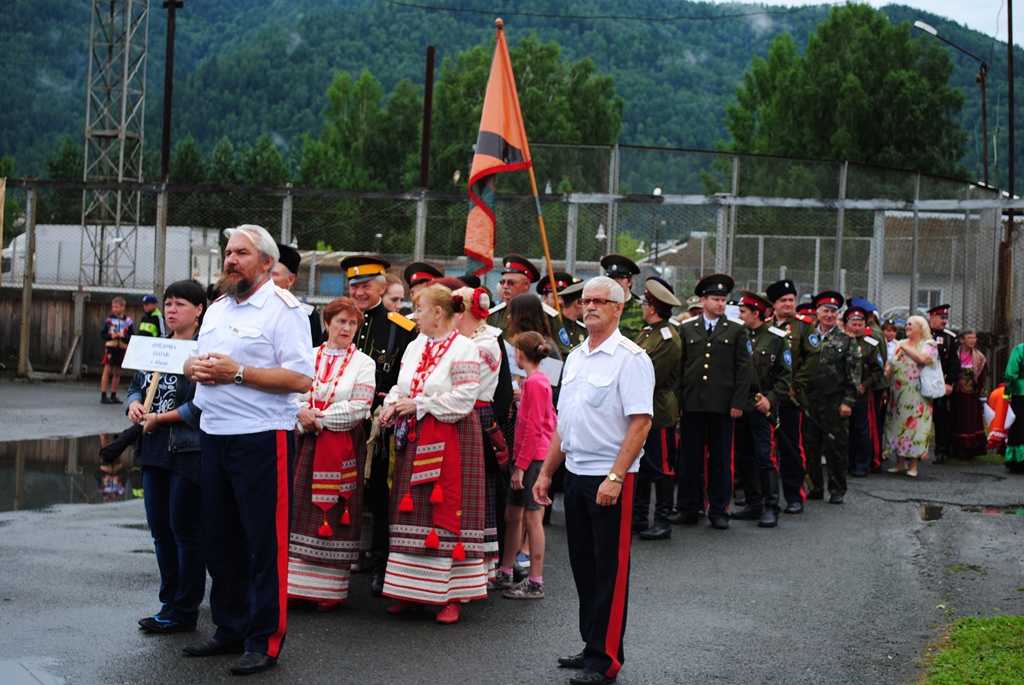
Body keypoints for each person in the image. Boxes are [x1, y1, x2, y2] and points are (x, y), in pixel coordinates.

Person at [182, 224, 314, 675]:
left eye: (241, 253)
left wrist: (238, 373)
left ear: (265, 263)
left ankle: (264, 639)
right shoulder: (217, 307)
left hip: (261, 437)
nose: (230, 259)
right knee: (220, 541)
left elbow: (300, 378)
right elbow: (197, 359)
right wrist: (191, 365)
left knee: (264, 543)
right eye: (228, 252)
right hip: (214, 433)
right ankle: (230, 628)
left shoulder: (284, 309)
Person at [533, 276, 654, 685]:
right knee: (584, 567)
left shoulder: (631, 357)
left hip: (609, 477)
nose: (590, 307)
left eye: (600, 301)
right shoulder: (577, 357)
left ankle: (606, 662)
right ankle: (591, 647)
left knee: (611, 570)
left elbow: (640, 423)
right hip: (577, 473)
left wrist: (616, 476)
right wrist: (547, 472)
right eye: (585, 301)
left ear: (619, 308)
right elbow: (565, 424)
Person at [377, 284, 485, 624]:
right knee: (414, 512)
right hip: (416, 435)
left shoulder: (465, 349)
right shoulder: (415, 345)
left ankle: (451, 596)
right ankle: (412, 591)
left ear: (437, 313)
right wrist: (391, 404)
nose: (414, 315)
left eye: (419, 309)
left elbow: (465, 399)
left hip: (452, 437)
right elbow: (400, 386)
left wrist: (418, 404)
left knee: (448, 509)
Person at [126, 280, 207, 634]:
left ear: (199, 310)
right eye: (168, 303)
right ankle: (169, 602)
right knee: (160, 529)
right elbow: (137, 385)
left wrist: (159, 418)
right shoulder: (157, 346)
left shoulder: (205, 352)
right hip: (154, 449)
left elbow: (201, 405)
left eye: (181, 304)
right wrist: (133, 404)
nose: (172, 310)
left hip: (187, 450)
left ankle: (186, 609)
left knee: (184, 530)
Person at [287, 297, 376, 611]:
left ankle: (329, 589)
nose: (347, 328)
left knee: (337, 511)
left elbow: (360, 407)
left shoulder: (364, 363)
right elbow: (290, 395)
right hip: (303, 442)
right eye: (341, 321)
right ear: (327, 324)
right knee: (298, 508)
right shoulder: (306, 357)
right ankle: (294, 585)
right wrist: (301, 413)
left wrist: (317, 419)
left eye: (353, 323)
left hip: (341, 443)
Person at [340, 254, 418, 597]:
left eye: (366, 286)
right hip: (340, 421)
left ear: (382, 287)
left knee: (380, 497)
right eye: (354, 285)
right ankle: (338, 559)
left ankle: (380, 565)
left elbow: (409, 376)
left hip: (379, 425)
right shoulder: (339, 321)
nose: (358, 292)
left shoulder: (402, 328)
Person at [676, 274, 750, 529]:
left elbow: (743, 369)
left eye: (723, 300)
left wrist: (738, 402)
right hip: (693, 403)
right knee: (689, 459)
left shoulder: (736, 329)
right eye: (715, 299)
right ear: (703, 300)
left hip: (722, 404)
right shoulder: (687, 329)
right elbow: (680, 367)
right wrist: (678, 402)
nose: (720, 304)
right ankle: (687, 507)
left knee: (720, 461)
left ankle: (719, 510)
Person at [452, 283, 513, 585]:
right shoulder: (463, 340)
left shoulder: (486, 343)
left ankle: (476, 569)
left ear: (465, 310)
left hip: (473, 417)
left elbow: (456, 382)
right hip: (458, 415)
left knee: (477, 492)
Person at [496, 331, 555, 599]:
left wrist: (520, 465)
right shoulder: (535, 381)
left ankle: (535, 581)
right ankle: (505, 571)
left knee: (532, 518)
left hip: (532, 459)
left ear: (520, 354)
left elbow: (533, 429)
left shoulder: (535, 383)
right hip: (528, 457)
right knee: (513, 515)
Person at [793, 291, 861, 504]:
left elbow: (854, 374)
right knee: (810, 446)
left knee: (836, 447)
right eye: (825, 311)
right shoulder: (808, 336)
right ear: (818, 313)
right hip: (809, 400)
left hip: (835, 401)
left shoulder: (846, 340)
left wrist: (848, 402)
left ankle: (837, 488)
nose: (829, 315)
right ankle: (814, 486)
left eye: (833, 312)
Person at [732, 290, 791, 528]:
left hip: (762, 407)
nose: (740, 315)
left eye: (743, 312)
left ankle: (772, 506)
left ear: (756, 313)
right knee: (743, 457)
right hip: (741, 406)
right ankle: (754, 503)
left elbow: (785, 377)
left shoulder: (776, 338)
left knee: (765, 457)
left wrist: (771, 398)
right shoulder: (739, 335)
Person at [632, 277, 681, 540]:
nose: (642, 306)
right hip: (642, 407)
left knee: (662, 466)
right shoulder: (648, 332)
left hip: (658, 409)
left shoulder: (667, 337)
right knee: (640, 463)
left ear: (653, 307)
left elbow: (651, 376)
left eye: (645, 303)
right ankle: (639, 517)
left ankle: (663, 520)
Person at [765, 279, 811, 514]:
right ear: (773, 304)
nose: (788, 304)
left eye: (791, 300)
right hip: (767, 400)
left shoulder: (803, 327)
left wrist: (794, 386)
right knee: (764, 449)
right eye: (783, 300)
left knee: (791, 447)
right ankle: (765, 497)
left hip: (791, 400)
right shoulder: (765, 326)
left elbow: (812, 360)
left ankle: (795, 496)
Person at [884, 315, 938, 478]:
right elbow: (891, 365)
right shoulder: (899, 345)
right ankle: (900, 462)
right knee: (897, 425)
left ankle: (913, 464)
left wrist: (905, 346)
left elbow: (924, 359)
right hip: (897, 393)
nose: (907, 327)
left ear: (921, 328)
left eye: (910, 324)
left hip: (918, 395)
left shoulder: (928, 344)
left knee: (916, 427)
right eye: (906, 324)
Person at [844, 306, 887, 477]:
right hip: (842, 394)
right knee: (845, 430)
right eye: (853, 324)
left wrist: (865, 385)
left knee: (861, 430)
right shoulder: (841, 342)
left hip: (861, 395)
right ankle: (847, 462)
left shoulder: (870, 345)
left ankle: (862, 464)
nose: (856, 328)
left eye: (859, 325)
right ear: (847, 325)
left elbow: (878, 370)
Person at [948, 328, 988, 460]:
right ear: (961, 340)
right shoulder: (954, 354)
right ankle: (954, 449)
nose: (973, 340)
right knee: (955, 420)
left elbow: (982, 379)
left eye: (974, 337)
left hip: (970, 395)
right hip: (955, 393)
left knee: (969, 422)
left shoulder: (979, 358)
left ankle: (969, 451)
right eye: (970, 337)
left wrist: (982, 396)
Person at [273, 243, 322, 347]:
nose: (268, 280)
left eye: (274, 274)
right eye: (266, 274)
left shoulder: (307, 315)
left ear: (290, 280)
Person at [928, 304, 958, 463]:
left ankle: (940, 450)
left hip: (940, 382)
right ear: (932, 317)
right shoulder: (923, 334)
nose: (945, 321)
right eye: (941, 318)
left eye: (946, 318)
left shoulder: (948, 338)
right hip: (921, 382)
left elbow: (954, 363)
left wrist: (950, 383)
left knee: (940, 417)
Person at [600, 254, 644, 342]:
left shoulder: (641, 310)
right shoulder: (600, 307)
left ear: (630, 281)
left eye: (619, 278)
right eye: (611, 278)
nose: (614, 282)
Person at [100, 296, 133, 405]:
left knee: (117, 372)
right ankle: (103, 395)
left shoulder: (128, 321)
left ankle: (113, 394)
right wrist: (111, 336)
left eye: (116, 307)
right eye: (113, 307)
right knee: (107, 370)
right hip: (111, 348)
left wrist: (123, 336)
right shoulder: (109, 320)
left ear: (123, 307)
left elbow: (132, 337)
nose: (114, 309)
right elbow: (103, 334)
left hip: (122, 348)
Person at [1004, 342, 1024, 472]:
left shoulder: (1020, 349)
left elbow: (1011, 373)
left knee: (1019, 427)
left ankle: (1017, 460)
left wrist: (1007, 393)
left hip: (1020, 392)